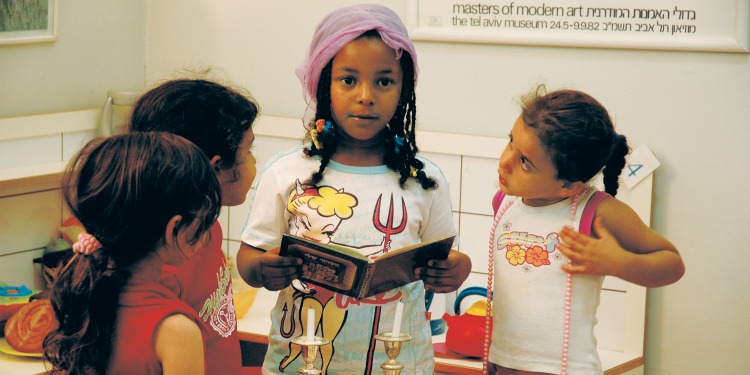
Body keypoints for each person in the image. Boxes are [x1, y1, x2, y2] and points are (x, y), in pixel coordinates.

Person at [236, 4, 472, 374]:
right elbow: (248, 259)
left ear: (403, 89)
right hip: (300, 363)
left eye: (384, 81)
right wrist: (263, 269)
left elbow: (445, 259)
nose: (366, 96)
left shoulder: (424, 179)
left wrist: (457, 269)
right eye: (348, 80)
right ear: (323, 85)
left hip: (399, 364)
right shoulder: (287, 172)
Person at [486, 86, 685, 375]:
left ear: (568, 185)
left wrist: (618, 262)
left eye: (525, 162)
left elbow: (672, 263)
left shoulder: (596, 211)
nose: (505, 161)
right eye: (510, 142)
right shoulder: (504, 204)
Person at [44, 132, 222, 374]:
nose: (206, 235)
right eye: (204, 222)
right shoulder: (177, 330)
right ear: (174, 229)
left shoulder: (83, 299)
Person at [128, 77, 260, 374]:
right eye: (248, 151)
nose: (254, 162)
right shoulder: (164, 263)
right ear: (215, 169)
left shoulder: (206, 229)